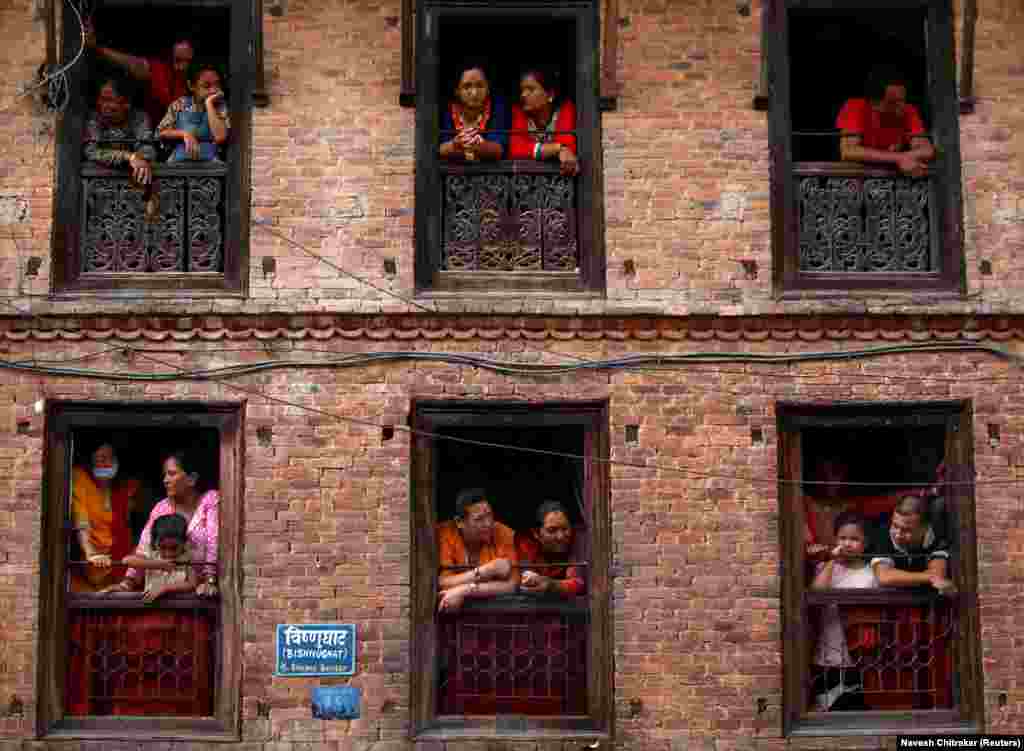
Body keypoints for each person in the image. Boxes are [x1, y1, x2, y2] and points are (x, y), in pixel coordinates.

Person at [113, 449, 219, 596]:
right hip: (161, 596)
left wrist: (210, 580)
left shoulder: (210, 500)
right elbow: (144, 549)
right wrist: (127, 583)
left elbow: (214, 542)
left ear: (191, 479)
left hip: (203, 594)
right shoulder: (161, 507)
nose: (165, 480)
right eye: (165, 475)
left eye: (172, 473)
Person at [809, 512, 878, 711]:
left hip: (858, 652)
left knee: (853, 707)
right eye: (842, 538)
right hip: (827, 650)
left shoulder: (871, 573)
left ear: (866, 543)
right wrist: (832, 560)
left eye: (854, 539)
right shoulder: (826, 568)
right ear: (835, 539)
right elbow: (817, 594)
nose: (847, 543)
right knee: (826, 706)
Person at [85, 22, 196, 127]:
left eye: (187, 61)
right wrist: (97, 48)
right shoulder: (159, 70)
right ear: (169, 57)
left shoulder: (201, 77)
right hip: (156, 134)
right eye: (178, 60)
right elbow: (132, 63)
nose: (182, 67)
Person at [69, 441, 143, 592]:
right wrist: (90, 552)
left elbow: (133, 527)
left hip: (120, 567)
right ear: (90, 461)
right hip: (89, 568)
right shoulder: (80, 479)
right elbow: (81, 518)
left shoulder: (126, 489)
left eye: (109, 457)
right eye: (99, 458)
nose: (104, 462)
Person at [836, 68, 935, 177]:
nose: (901, 108)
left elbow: (927, 150)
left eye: (903, 100)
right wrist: (899, 158)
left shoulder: (908, 110)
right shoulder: (854, 107)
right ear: (874, 104)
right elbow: (848, 151)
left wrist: (903, 158)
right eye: (893, 103)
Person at [436, 488, 518, 612]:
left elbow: (512, 585)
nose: (488, 523)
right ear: (459, 522)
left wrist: (465, 590)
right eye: (479, 519)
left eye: (490, 515)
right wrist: (488, 570)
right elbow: (442, 582)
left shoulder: (503, 532)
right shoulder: (445, 533)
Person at [870, 495, 954, 593]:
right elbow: (884, 576)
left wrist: (899, 577)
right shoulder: (883, 533)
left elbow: (938, 573)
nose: (897, 535)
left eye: (906, 530)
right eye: (895, 525)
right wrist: (929, 577)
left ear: (925, 528)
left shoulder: (938, 535)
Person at [82, 75, 154, 187]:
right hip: (100, 186)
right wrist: (128, 157)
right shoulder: (94, 119)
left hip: (134, 186)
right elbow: (91, 152)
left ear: (126, 103)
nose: (104, 105)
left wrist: (140, 159)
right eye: (102, 99)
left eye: (110, 100)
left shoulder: (139, 118)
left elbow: (148, 150)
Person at [509, 68, 579, 176]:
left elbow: (568, 145)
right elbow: (516, 148)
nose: (523, 95)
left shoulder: (565, 110)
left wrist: (561, 149)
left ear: (550, 95)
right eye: (522, 90)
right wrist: (557, 149)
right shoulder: (518, 112)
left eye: (530, 89)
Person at [158, 61, 230, 164]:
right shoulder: (180, 104)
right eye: (206, 86)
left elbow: (220, 137)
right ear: (191, 86)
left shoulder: (220, 107)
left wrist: (209, 104)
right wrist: (184, 134)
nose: (213, 90)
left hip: (210, 167)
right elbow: (162, 132)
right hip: (178, 164)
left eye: (217, 85)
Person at [118, 514, 197, 604]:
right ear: (154, 543)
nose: (168, 554)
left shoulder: (186, 559)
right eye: (162, 547)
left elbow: (192, 584)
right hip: (152, 608)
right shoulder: (152, 556)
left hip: (177, 610)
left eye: (174, 548)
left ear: (184, 543)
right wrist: (158, 565)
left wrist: (165, 587)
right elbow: (127, 560)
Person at [439, 61, 508, 162]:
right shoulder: (447, 111)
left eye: (480, 86)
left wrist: (478, 146)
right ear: (457, 91)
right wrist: (455, 144)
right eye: (467, 87)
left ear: (488, 89)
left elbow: (499, 149)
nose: (474, 93)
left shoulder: (498, 109)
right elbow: (439, 149)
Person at [515, 500, 585, 597]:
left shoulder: (577, 540)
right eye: (552, 530)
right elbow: (525, 580)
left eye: (565, 529)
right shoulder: (527, 544)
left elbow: (578, 584)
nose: (560, 536)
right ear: (536, 533)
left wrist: (551, 585)